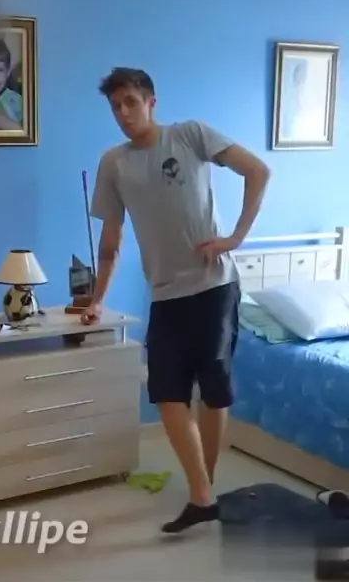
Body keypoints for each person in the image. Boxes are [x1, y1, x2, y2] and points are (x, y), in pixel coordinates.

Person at [80, 67, 270, 533]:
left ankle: (204, 490)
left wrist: (235, 238)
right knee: (166, 393)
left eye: (130, 102)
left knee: (214, 392)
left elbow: (257, 170)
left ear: (151, 102)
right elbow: (111, 241)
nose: (123, 113)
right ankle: (203, 496)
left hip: (214, 287)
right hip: (165, 294)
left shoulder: (190, 135)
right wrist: (97, 300)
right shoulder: (114, 164)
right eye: (115, 107)